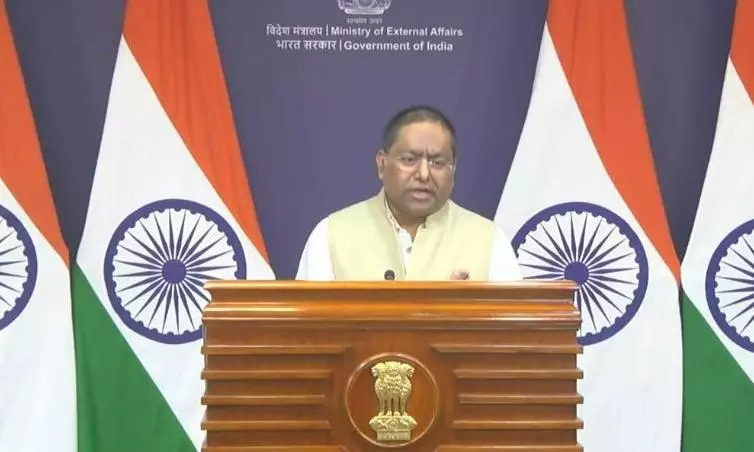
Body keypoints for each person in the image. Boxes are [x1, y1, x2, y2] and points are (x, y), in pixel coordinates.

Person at [295, 105, 522, 281]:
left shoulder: (489, 241)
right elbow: (308, 325)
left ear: (453, 170)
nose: (423, 174)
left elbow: (514, 325)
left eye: (437, 162)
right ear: (382, 164)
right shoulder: (331, 235)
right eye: (409, 160)